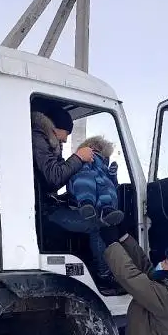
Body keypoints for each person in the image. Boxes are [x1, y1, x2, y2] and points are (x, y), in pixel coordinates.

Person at [31, 106, 118, 287]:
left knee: (99, 222)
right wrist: (78, 157)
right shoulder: (38, 138)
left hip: (49, 205)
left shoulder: (47, 141)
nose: (66, 139)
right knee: (97, 225)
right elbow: (54, 177)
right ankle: (103, 274)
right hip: (44, 211)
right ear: (56, 127)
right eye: (66, 133)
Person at [66, 135, 124, 225]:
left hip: (98, 192)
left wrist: (112, 176)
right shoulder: (87, 160)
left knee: (106, 186)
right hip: (84, 188)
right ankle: (87, 204)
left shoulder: (104, 170)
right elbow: (80, 171)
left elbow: (114, 185)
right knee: (86, 179)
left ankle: (106, 210)